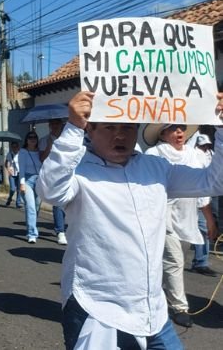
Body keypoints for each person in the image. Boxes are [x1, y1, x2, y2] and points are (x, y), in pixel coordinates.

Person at [38, 90, 223, 350]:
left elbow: (214, 181)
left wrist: (221, 126)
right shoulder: (79, 170)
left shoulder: (156, 168)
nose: (119, 134)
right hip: (96, 307)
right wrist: (72, 128)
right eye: (109, 127)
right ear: (90, 130)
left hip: (153, 311)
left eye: (127, 126)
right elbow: (50, 190)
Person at [145, 124, 219, 327]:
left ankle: (152, 294)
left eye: (182, 128)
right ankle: (180, 307)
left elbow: (202, 189)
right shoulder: (154, 153)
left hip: (187, 217)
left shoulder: (193, 155)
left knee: (171, 260)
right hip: (163, 217)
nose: (179, 132)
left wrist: (210, 220)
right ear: (162, 133)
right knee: (174, 261)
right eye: (173, 129)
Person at [191, 134, 218, 277]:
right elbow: (202, 179)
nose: (206, 147)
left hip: (203, 198)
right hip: (196, 199)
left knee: (202, 230)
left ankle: (201, 262)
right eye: (203, 145)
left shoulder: (208, 154)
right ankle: (200, 262)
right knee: (203, 229)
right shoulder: (195, 155)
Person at [40, 118, 68, 245]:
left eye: (58, 123)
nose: (55, 126)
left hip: (69, 173)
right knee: (58, 202)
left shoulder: (67, 138)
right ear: (49, 125)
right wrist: (49, 146)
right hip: (53, 175)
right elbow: (42, 158)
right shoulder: (44, 140)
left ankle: (70, 228)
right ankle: (60, 231)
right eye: (53, 124)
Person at [19, 131, 43, 244]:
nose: (32, 139)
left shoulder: (40, 152)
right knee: (31, 207)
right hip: (27, 180)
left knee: (37, 206)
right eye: (30, 138)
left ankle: (31, 225)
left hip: (39, 180)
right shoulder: (23, 152)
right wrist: (22, 183)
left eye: (35, 137)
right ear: (26, 140)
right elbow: (22, 169)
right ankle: (32, 233)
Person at [5, 141, 24, 209]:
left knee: (19, 189)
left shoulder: (21, 154)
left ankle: (18, 203)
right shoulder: (9, 154)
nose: (14, 148)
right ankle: (9, 198)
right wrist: (8, 169)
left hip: (19, 173)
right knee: (12, 189)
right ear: (11, 148)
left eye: (16, 147)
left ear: (18, 147)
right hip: (12, 173)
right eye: (13, 147)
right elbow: (6, 163)